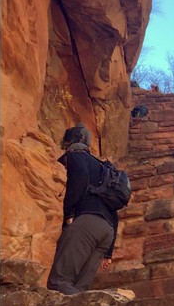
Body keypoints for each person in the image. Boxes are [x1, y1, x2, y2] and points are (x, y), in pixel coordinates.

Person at [46, 124, 119, 295]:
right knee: (79, 291)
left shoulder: (76, 155)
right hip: (107, 231)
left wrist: (70, 212)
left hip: (87, 222)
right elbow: (115, 210)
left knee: (60, 282)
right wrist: (108, 252)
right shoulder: (105, 168)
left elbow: (79, 177)